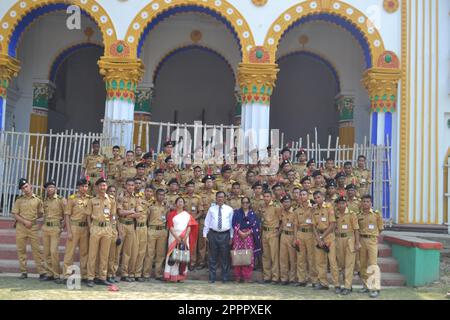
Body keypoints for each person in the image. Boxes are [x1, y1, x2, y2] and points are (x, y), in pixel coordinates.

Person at [12, 178, 47, 280]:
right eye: (23, 188)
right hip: (21, 227)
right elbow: (15, 214)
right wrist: (25, 222)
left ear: (30, 185)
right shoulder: (19, 200)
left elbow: (41, 213)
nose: (25, 189)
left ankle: (42, 272)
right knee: (21, 249)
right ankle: (23, 272)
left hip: (33, 227)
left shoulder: (37, 199)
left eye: (26, 186)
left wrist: (33, 220)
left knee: (37, 250)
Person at [85, 178, 116, 287]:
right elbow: (88, 216)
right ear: (97, 187)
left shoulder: (111, 200)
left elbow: (113, 216)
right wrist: (90, 228)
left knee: (104, 254)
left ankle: (102, 277)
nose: (103, 187)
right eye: (101, 185)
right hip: (96, 227)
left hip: (107, 229)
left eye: (105, 185)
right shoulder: (92, 200)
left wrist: (112, 228)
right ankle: (90, 277)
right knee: (92, 254)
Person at [164, 197, 199, 282]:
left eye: (182, 202)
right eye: (179, 202)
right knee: (172, 255)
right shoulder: (171, 214)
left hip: (184, 238)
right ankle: (172, 276)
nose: (180, 203)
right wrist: (176, 237)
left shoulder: (187, 215)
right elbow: (170, 227)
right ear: (176, 204)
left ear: (184, 204)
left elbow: (189, 226)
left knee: (182, 256)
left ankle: (181, 276)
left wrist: (185, 236)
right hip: (173, 237)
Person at [63, 178, 90, 283]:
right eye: (83, 186)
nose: (85, 188)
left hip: (85, 228)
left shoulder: (89, 199)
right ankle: (67, 275)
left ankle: (84, 275)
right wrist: (69, 231)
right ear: (78, 187)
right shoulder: (72, 198)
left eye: (86, 186)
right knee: (70, 253)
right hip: (74, 227)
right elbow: (67, 215)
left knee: (84, 253)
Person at [203, 191, 234, 283]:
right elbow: (207, 222)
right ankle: (212, 277)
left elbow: (232, 224)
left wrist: (231, 237)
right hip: (213, 234)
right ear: (216, 198)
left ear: (224, 198)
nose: (220, 199)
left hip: (225, 235)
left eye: (222, 197)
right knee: (212, 257)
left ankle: (225, 277)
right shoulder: (211, 209)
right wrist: (205, 234)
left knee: (225, 257)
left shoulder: (229, 209)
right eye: (218, 197)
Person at [312, 191, 340, 292]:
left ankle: (336, 284)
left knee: (332, 262)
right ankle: (323, 283)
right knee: (320, 262)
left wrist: (322, 237)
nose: (317, 199)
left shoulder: (329, 207)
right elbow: (313, 226)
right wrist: (318, 239)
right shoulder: (314, 210)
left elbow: (332, 224)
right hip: (318, 238)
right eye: (315, 198)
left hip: (328, 237)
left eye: (318, 197)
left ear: (323, 197)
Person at [358, 195, 383, 298]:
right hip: (361, 240)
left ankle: (375, 288)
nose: (365, 203)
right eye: (364, 201)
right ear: (361, 203)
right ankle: (366, 285)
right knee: (362, 264)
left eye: (368, 201)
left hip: (372, 240)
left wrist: (374, 237)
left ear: (371, 203)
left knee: (373, 264)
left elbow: (380, 228)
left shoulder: (376, 214)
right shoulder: (358, 215)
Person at [231, 197, 261, 283]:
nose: (245, 204)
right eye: (243, 202)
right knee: (238, 255)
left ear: (249, 203)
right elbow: (234, 224)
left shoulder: (253, 214)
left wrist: (247, 233)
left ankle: (247, 277)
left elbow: (255, 226)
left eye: (247, 202)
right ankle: (237, 276)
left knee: (248, 256)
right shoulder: (237, 213)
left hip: (249, 237)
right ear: (241, 203)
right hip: (238, 236)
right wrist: (240, 232)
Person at [42, 180, 66, 283]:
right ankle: (49, 273)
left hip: (55, 228)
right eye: (48, 188)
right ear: (46, 190)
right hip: (46, 228)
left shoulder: (61, 200)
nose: (50, 189)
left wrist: (62, 227)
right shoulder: (45, 201)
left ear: (55, 189)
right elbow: (44, 215)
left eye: (52, 187)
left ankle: (57, 275)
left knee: (53, 252)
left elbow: (66, 215)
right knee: (46, 252)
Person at [335, 196, 360, 295]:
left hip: (350, 240)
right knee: (341, 264)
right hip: (338, 240)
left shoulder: (351, 214)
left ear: (346, 204)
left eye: (343, 203)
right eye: (339, 203)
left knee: (349, 264)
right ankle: (346, 284)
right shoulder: (336, 214)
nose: (341, 205)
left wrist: (357, 243)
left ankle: (347, 286)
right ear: (337, 205)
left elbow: (356, 230)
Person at [143, 188, 169, 280]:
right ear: (155, 195)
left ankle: (158, 274)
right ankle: (146, 274)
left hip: (162, 231)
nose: (161, 196)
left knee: (160, 254)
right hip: (152, 230)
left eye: (163, 195)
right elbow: (146, 218)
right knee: (149, 253)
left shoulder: (166, 207)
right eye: (159, 194)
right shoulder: (151, 206)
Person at [294, 189, 317, 287]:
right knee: (300, 258)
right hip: (300, 233)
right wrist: (295, 238)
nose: (302, 196)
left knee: (311, 258)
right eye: (301, 195)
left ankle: (314, 280)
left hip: (310, 234)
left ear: (307, 196)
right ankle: (301, 279)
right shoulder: (297, 210)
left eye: (304, 194)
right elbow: (295, 225)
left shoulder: (313, 208)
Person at [278, 195, 297, 285]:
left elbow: (296, 227)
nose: (286, 204)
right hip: (283, 236)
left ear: (291, 202)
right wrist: (278, 233)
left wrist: (295, 238)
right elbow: (282, 224)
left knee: (292, 259)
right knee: (283, 258)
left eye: (288, 202)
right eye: (284, 202)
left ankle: (292, 278)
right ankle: (284, 278)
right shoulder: (282, 211)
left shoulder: (294, 212)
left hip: (292, 236)